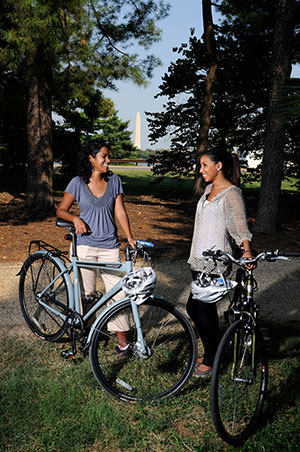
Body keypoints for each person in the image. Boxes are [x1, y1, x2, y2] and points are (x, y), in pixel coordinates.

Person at [56, 139, 135, 354]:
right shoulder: (77, 183)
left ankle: (122, 342)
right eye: (104, 157)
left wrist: (129, 237)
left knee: (118, 294)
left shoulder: (115, 181)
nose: (108, 160)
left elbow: (120, 212)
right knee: (86, 295)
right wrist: (75, 219)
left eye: (108, 156)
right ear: (92, 159)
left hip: (110, 246)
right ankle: (85, 335)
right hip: (84, 247)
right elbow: (61, 210)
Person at [187, 147, 253, 377]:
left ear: (219, 166)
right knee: (197, 309)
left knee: (200, 309)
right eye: (201, 165)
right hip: (198, 259)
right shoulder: (208, 189)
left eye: (205, 165)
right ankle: (214, 351)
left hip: (215, 262)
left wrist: (246, 250)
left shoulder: (232, 193)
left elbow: (240, 225)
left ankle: (213, 358)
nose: (201, 169)